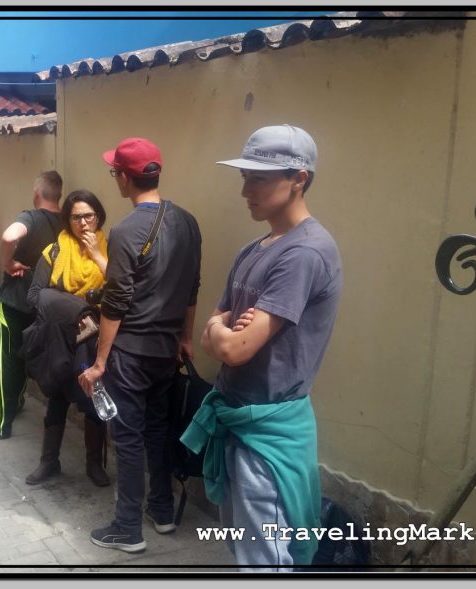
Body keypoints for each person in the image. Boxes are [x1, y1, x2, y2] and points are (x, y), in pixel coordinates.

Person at [185, 125, 341, 570]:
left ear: (299, 178)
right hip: (237, 419)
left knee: (263, 561)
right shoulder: (255, 249)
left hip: (267, 433)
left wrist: (225, 332)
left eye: (259, 178)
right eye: (245, 176)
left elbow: (234, 350)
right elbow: (214, 332)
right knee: (244, 550)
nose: (245, 190)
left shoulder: (305, 254)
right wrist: (226, 329)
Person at [78, 137, 202, 553]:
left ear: (127, 178)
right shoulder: (187, 222)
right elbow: (191, 289)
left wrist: (99, 362)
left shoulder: (128, 228)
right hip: (166, 351)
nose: (115, 179)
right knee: (157, 430)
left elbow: (116, 301)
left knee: (127, 438)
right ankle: (162, 511)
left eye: (115, 173)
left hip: (130, 353)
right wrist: (184, 337)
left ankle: (127, 528)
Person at [20, 190, 111, 486]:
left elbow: (121, 292)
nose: (83, 223)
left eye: (88, 216)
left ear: (98, 216)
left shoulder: (112, 250)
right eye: (76, 217)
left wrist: (98, 256)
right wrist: (77, 309)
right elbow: (35, 295)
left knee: (93, 397)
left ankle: (95, 465)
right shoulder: (55, 251)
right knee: (57, 395)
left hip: (93, 337)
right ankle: (49, 462)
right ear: (67, 220)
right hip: (59, 336)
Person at [0, 171, 63, 437]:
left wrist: (7, 263)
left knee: (5, 362)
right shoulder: (68, 222)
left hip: (14, 302)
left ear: (37, 193)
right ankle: (17, 403)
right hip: (44, 304)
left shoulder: (31, 216)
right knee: (25, 358)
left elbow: (9, 237)